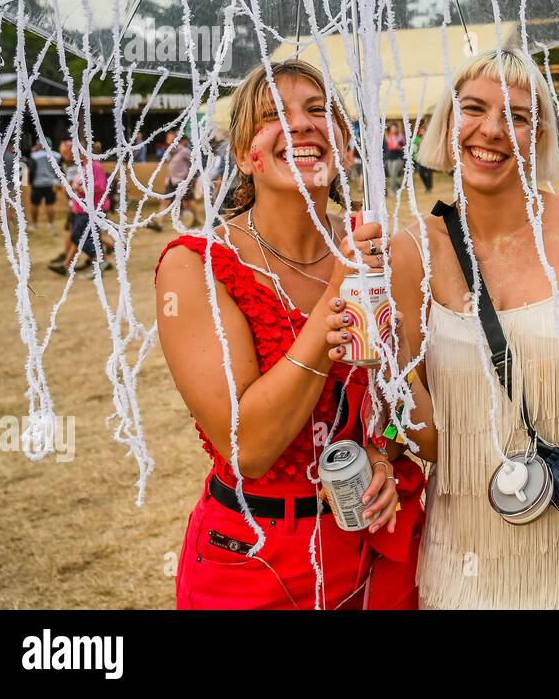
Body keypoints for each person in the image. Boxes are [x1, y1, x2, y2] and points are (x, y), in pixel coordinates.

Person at [339, 48, 559, 609]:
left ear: (540, 135)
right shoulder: (408, 255)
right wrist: (391, 359)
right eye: (473, 108)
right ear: (448, 123)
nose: (491, 130)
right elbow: (424, 440)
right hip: (466, 553)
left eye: (518, 116)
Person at [154, 58, 424, 610]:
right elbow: (247, 446)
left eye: (318, 111)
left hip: (371, 546)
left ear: (344, 145)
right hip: (249, 560)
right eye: (273, 115)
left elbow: (411, 403)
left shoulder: (385, 254)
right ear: (242, 155)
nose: (301, 124)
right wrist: (336, 295)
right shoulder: (197, 268)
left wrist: (381, 452)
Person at [51, 144, 112, 274]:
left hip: (92, 209)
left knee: (77, 236)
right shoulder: (83, 168)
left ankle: (100, 259)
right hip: (81, 209)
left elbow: (100, 187)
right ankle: (100, 260)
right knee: (90, 236)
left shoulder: (95, 166)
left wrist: (80, 189)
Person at [164, 133, 201, 228]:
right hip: (171, 181)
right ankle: (159, 223)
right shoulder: (169, 152)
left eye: (171, 138)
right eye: (168, 138)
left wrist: (192, 177)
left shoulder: (184, 151)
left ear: (176, 139)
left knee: (188, 202)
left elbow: (195, 162)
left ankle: (196, 219)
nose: (169, 140)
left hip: (183, 181)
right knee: (166, 200)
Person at [28, 139, 62, 229]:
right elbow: (60, 170)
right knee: (50, 204)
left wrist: (31, 182)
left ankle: (35, 225)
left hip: (37, 183)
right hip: (51, 183)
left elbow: (31, 170)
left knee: (35, 204)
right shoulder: (57, 155)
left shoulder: (34, 156)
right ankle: (50, 225)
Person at [383, 121, 406, 195]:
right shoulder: (388, 136)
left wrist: (398, 146)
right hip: (390, 158)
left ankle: (394, 190)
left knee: (393, 174)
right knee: (391, 175)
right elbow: (387, 148)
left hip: (398, 158)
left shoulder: (400, 136)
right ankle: (398, 185)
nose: (393, 129)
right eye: (392, 128)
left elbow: (404, 147)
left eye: (394, 128)